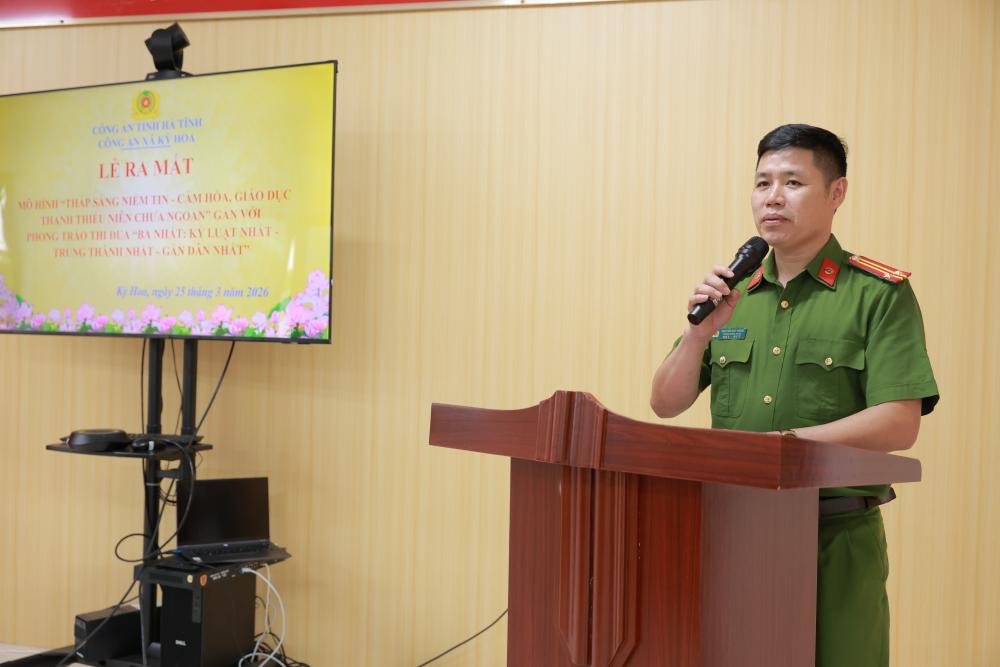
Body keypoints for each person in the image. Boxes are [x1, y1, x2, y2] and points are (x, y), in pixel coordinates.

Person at [650, 124, 938, 667]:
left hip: (834, 537)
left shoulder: (877, 294)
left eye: (793, 182)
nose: (773, 197)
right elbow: (665, 402)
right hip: (732, 529)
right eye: (762, 182)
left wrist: (784, 445)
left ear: (836, 193)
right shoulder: (734, 293)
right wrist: (697, 336)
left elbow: (900, 422)